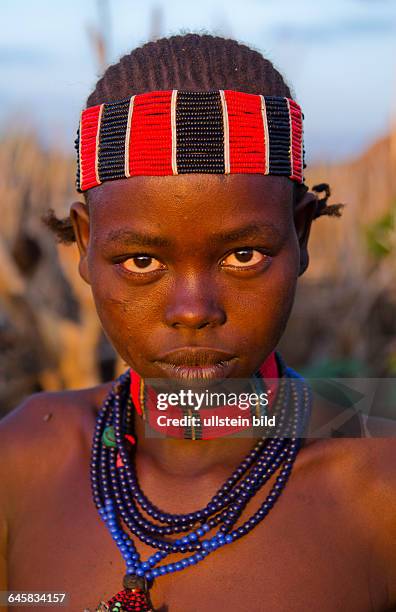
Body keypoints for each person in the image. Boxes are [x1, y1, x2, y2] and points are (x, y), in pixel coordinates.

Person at [1, 34, 395, 612]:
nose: (192, 310)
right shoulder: (22, 457)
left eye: (243, 256)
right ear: (85, 247)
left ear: (301, 236)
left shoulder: (378, 489)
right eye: (141, 261)